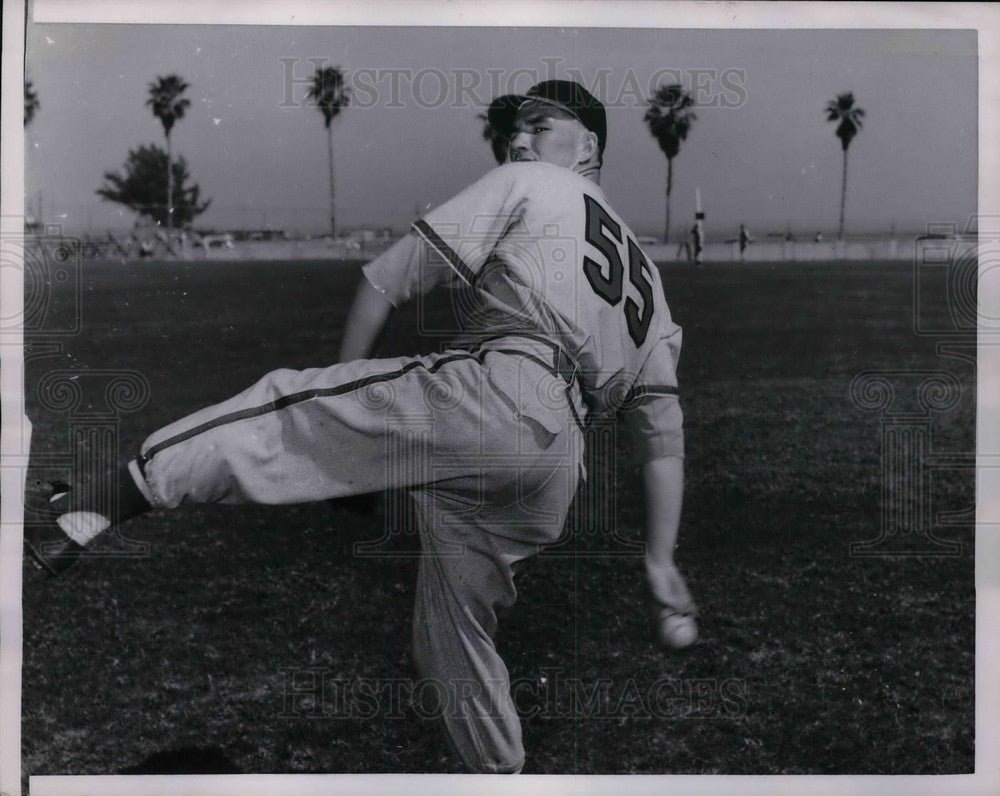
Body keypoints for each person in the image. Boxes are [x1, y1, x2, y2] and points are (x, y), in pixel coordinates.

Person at [25, 80, 696, 774]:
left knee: (293, 406)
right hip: (555, 472)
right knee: (453, 640)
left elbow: (385, 280)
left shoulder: (531, 181)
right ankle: (502, 778)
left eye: (539, 124)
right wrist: (660, 561)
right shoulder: (649, 274)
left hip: (501, 391)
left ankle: (105, 497)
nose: (518, 139)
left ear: (587, 145)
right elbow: (661, 437)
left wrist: (346, 411)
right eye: (514, 129)